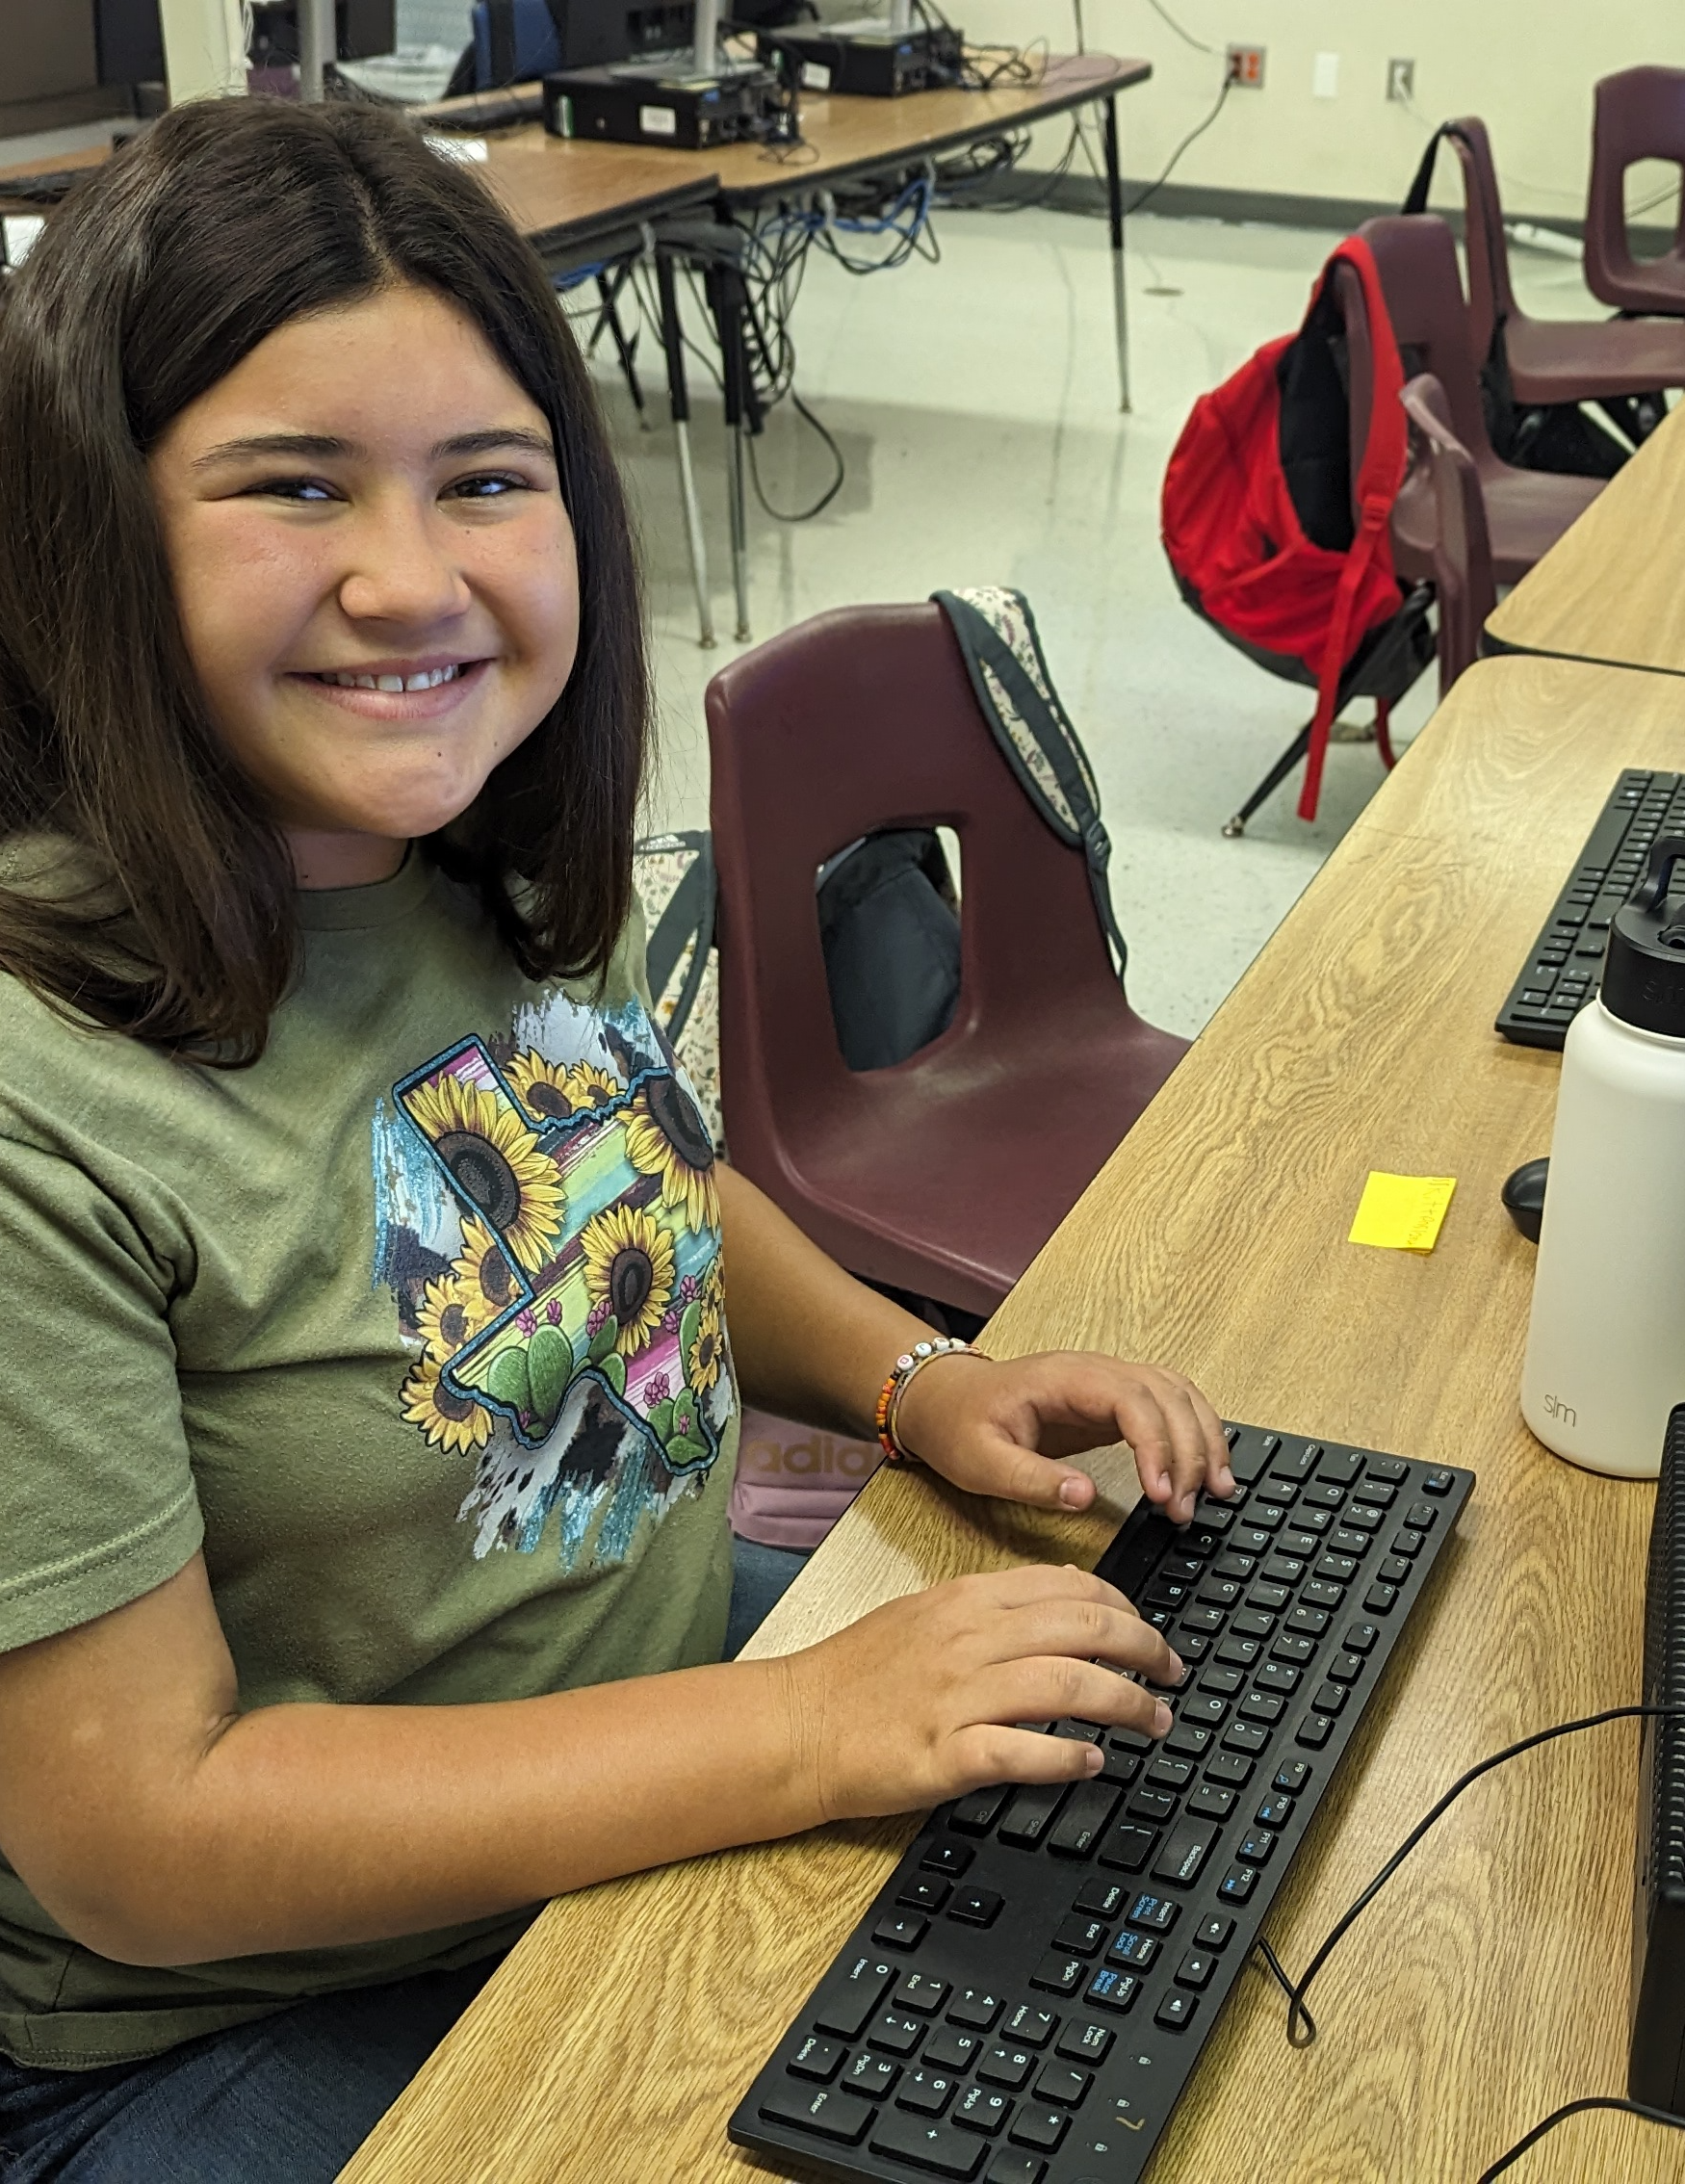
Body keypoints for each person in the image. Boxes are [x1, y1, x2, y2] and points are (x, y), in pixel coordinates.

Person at [0, 97, 1231, 2182]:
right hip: (252, 2007)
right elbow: (142, 1843)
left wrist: (921, 1378)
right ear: (85, 534)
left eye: (488, 480)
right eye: (295, 488)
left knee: (1174, 1862)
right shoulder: (43, 1094)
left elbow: (628, 1163)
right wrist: (802, 1727)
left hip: (639, 1730)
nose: (414, 580)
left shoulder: (432, 847)